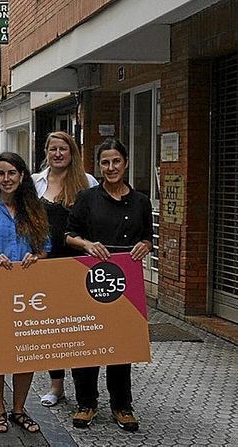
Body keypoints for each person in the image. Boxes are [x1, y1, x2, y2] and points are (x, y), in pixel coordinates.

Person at [65, 138, 152, 432]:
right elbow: (69, 235)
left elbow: (148, 237)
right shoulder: (87, 198)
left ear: (125, 163)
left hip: (125, 285)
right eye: (105, 162)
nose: (111, 167)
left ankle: (122, 406)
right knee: (87, 344)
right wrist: (87, 245)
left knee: (121, 346)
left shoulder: (141, 201)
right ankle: (86, 403)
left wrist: (144, 245)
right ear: (98, 166)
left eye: (116, 161)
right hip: (89, 281)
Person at [0, 152, 50, 435]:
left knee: (26, 351)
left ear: (22, 176)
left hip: (28, 290)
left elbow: (45, 247)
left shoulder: (35, 207)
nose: (6, 179)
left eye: (12, 173)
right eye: (1, 174)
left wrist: (35, 256)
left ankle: (19, 409)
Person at [31, 131, 98, 407]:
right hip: (45, 264)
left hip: (79, 264)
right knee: (52, 328)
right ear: (46, 152)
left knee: (81, 326)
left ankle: (86, 390)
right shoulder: (35, 182)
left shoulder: (88, 182)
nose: (58, 154)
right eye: (53, 149)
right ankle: (56, 386)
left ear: (72, 152)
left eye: (63, 149)